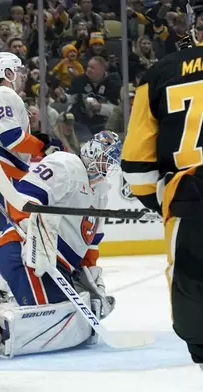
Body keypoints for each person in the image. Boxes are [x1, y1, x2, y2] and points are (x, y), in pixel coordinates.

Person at [0, 131, 120, 361]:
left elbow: (90, 247)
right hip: (23, 253)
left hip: (56, 266)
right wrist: (34, 229)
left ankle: (14, 303)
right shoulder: (66, 165)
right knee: (59, 316)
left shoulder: (101, 194)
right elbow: (25, 197)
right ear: (93, 151)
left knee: (81, 316)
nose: (109, 165)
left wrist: (97, 287)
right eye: (107, 157)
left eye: (112, 161)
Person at [121, 3, 203, 370]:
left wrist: (163, 200)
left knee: (193, 296)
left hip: (189, 200)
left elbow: (137, 164)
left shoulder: (160, 73)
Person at [0, 51, 61, 231]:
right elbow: (11, 138)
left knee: (8, 229)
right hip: (2, 171)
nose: (23, 75)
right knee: (12, 230)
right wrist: (41, 146)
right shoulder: (4, 94)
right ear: (8, 73)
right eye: (18, 70)